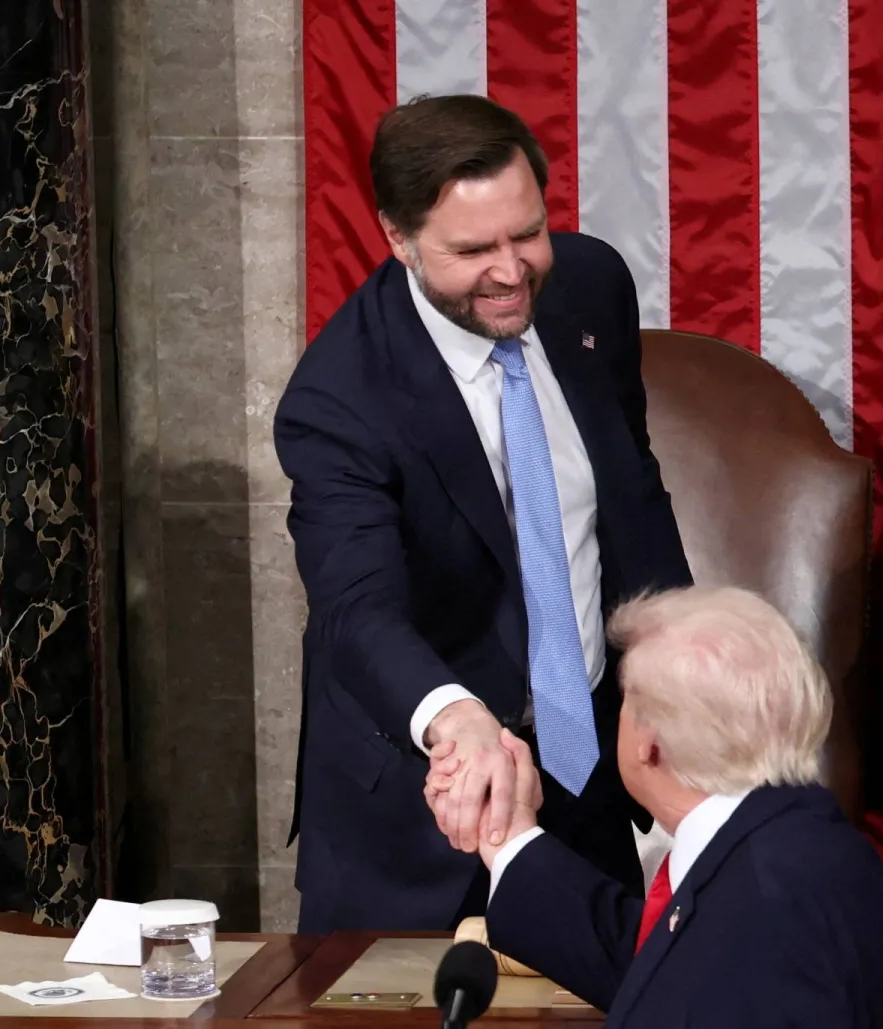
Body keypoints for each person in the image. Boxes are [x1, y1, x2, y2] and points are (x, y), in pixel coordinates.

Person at [274, 94, 691, 933]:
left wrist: (686, 672)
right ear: (398, 238)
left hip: (586, 785)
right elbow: (356, 609)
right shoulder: (339, 400)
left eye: (526, 233)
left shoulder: (589, 289)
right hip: (424, 817)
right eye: (472, 250)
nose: (512, 270)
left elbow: (630, 500)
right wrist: (454, 717)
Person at [427, 586, 883, 1027]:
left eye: (624, 696)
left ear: (649, 742)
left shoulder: (767, 907)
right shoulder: (800, 844)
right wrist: (509, 836)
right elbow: (658, 962)